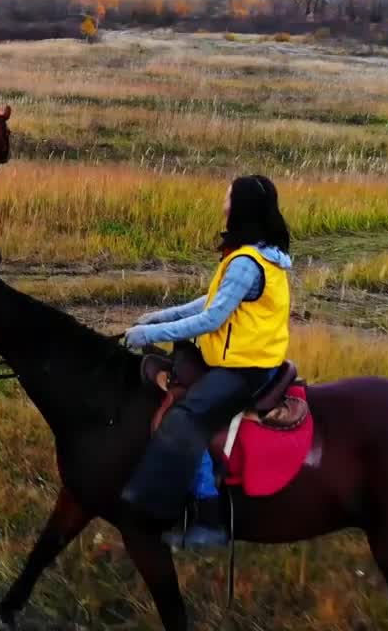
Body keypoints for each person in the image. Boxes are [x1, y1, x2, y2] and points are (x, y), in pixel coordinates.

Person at [120, 174, 293, 547]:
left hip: (245, 368)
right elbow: (210, 301)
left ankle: (208, 517)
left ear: (242, 208)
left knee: (187, 417)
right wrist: (160, 317)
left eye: (229, 197)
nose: (223, 203)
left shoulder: (247, 263)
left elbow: (212, 319)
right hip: (243, 357)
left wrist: (147, 335)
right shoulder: (255, 254)